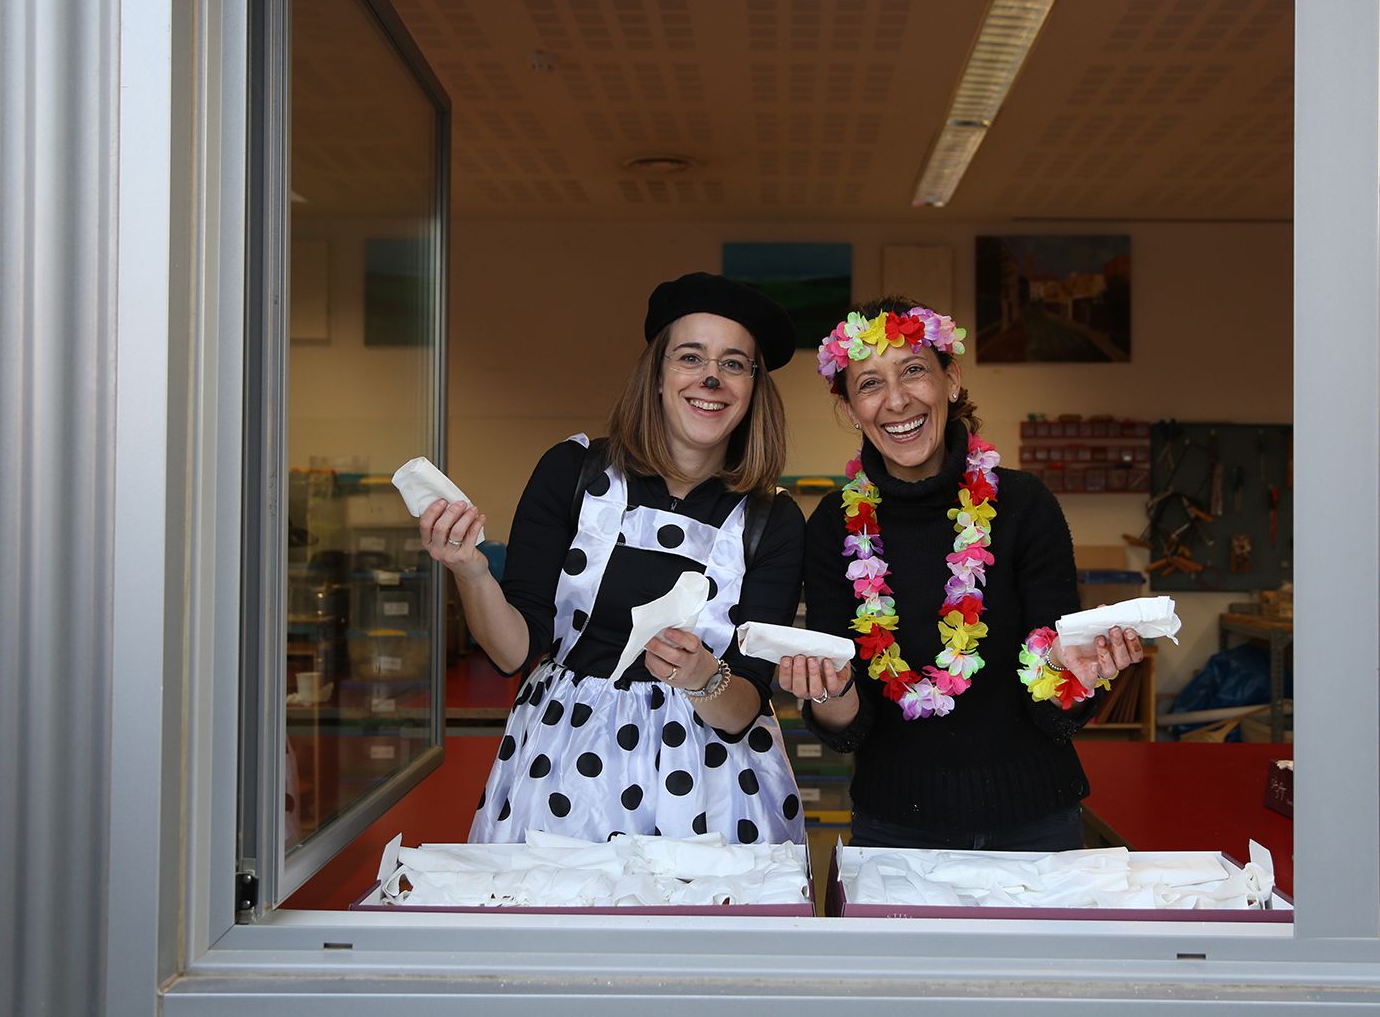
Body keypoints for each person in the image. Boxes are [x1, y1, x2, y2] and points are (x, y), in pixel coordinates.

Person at [423, 272, 808, 846]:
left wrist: (702, 676)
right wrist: (471, 572)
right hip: (564, 763)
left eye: (733, 364)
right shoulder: (573, 472)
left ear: (753, 387)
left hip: (711, 787)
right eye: (690, 357)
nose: (711, 378)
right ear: (656, 374)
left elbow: (742, 707)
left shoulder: (771, 519)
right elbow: (513, 651)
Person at [779, 296, 1145, 851]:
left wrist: (1072, 671)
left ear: (950, 380)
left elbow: (1054, 711)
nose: (896, 399)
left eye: (913, 370)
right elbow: (847, 731)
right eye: (870, 383)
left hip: (1035, 822)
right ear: (851, 408)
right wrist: (827, 692)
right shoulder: (834, 524)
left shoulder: (1025, 505)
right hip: (895, 828)